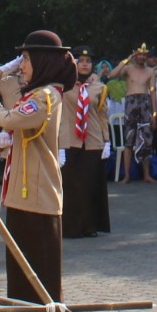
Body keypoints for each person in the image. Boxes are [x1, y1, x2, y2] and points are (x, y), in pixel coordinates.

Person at [0, 29, 74, 312]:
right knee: (21, 277)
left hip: (37, 194)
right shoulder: (36, 91)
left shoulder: (47, 95)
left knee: (40, 275)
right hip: (23, 192)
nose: (21, 65)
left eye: (26, 59)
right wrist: (3, 73)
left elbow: (11, 118)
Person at [60, 51, 113, 237]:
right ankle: (70, 226)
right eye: (80, 61)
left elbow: (102, 114)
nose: (84, 65)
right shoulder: (64, 85)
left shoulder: (98, 87)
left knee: (90, 184)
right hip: (69, 140)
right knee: (70, 184)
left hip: (92, 140)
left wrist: (107, 141)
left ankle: (89, 225)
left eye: (88, 61)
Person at [119, 47, 157, 182]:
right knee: (129, 141)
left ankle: (147, 175)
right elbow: (112, 74)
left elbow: (153, 91)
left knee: (146, 140)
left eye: (144, 55)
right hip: (131, 103)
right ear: (135, 56)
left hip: (145, 104)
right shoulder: (128, 69)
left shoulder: (150, 71)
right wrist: (127, 60)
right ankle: (127, 175)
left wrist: (154, 113)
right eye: (139, 55)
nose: (141, 57)